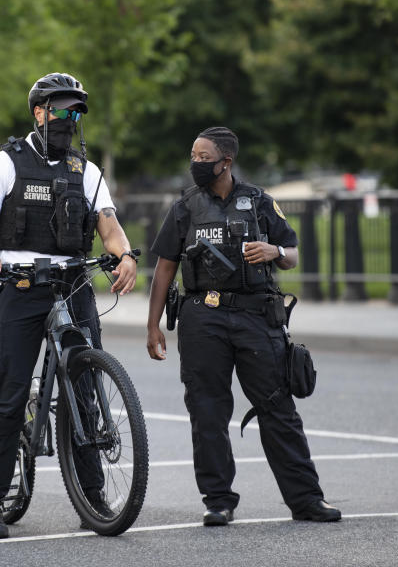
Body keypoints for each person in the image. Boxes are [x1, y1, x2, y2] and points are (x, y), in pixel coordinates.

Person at [0, 72, 138, 537]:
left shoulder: (88, 171)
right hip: (21, 286)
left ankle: (94, 495)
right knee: (9, 395)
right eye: (62, 110)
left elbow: (108, 226)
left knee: (84, 389)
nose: (70, 119)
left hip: (74, 283)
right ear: (39, 112)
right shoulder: (6, 163)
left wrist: (123, 255)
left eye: (77, 111)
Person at [145, 126, 341, 526]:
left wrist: (274, 251)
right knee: (207, 411)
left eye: (204, 157)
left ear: (226, 162)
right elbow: (165, 267)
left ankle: (305, 500)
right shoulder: (185, 207)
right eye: (193, 157)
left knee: (277, 407)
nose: (196, 164)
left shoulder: (259, 202)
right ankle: (218, 500)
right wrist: (153, 326)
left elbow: (292, 256)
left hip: (255, 316)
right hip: (202, 318)